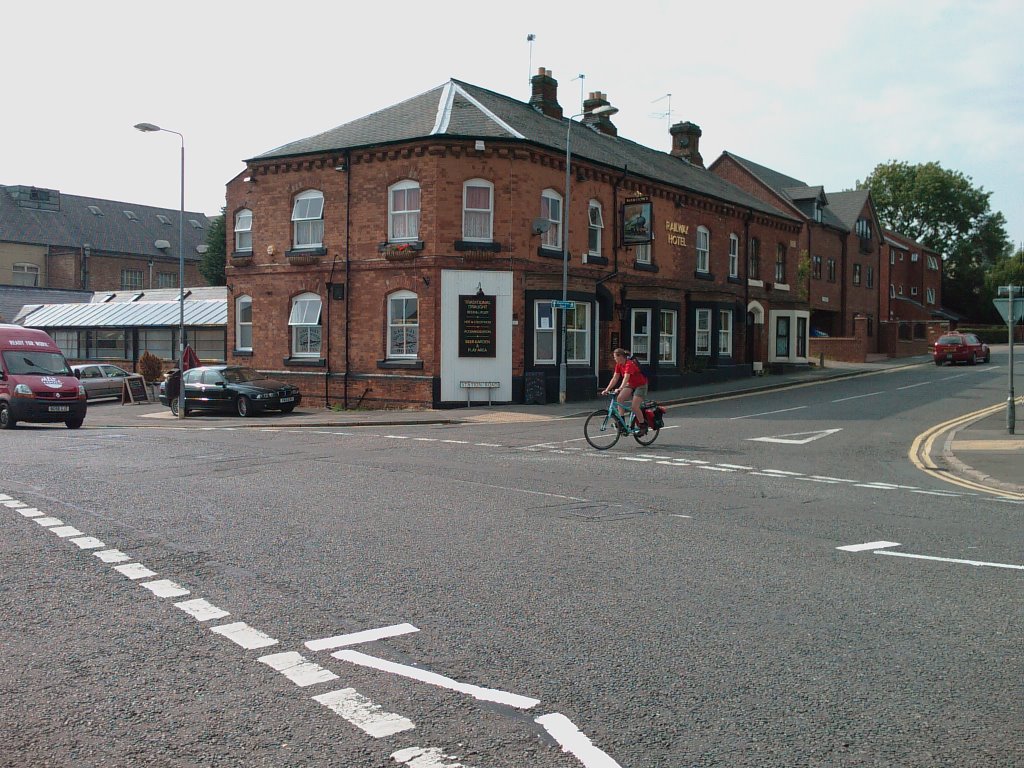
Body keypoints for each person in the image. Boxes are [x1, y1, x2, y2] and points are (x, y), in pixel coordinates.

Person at [600, 348, 649, 435]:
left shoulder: (629, 364)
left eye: (615, 357)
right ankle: (621, 423)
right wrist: (606, 389)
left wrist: (620, 388)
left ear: (621, 356)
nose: (614, 359)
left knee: (634, 407)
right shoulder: (619, 365)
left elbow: (626, 378)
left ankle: (643, 426)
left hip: (641, 385)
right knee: (620, 398)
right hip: (631, 384)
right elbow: (615, 378)